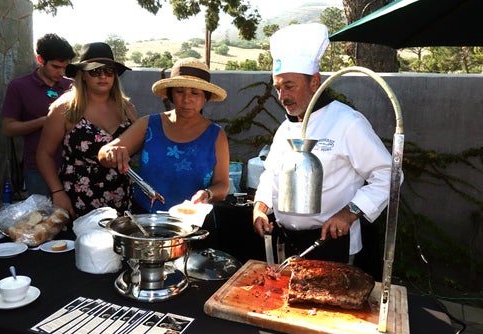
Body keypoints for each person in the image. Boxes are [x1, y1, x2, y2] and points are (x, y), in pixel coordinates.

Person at [252, 23, 394, 264]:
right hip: (287, 241)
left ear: (315, 82)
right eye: (278, 88)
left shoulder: (348, 122)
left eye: (289, 86)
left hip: (332, 242)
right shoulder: (285, 128)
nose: (282, 96)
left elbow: (389, 175)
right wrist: (260, 207)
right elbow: (270, 174)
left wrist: (350, 212)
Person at [98, 57, 230, 214]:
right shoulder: (148, 124)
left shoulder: (216, 135)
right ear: (171, 94)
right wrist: (110, 153)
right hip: (147, 220)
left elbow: (222, 184)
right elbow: (105, 153)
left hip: (194, 224)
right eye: (180, 91)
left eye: (195, 93)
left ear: (205, 97)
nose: (186, 99)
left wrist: (208, 194)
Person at [36, 42, 139, 219]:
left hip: (121, 195)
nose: (103, 76)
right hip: (78, 198)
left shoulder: (127, 108)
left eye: (108, 71)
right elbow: (44, 154)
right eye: (95, 71)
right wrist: (57, 192)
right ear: (82, 75)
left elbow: (141, 144)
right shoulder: (65, 108)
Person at [1, 33, 76, 196]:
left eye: (65, 67)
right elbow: (8, 128)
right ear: (40, 60)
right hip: (37, 169)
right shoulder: (19, 86)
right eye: (56, 67)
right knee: (43, 219)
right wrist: (47, 121)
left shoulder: (72, 86)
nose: (61, 72)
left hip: (73, 167)